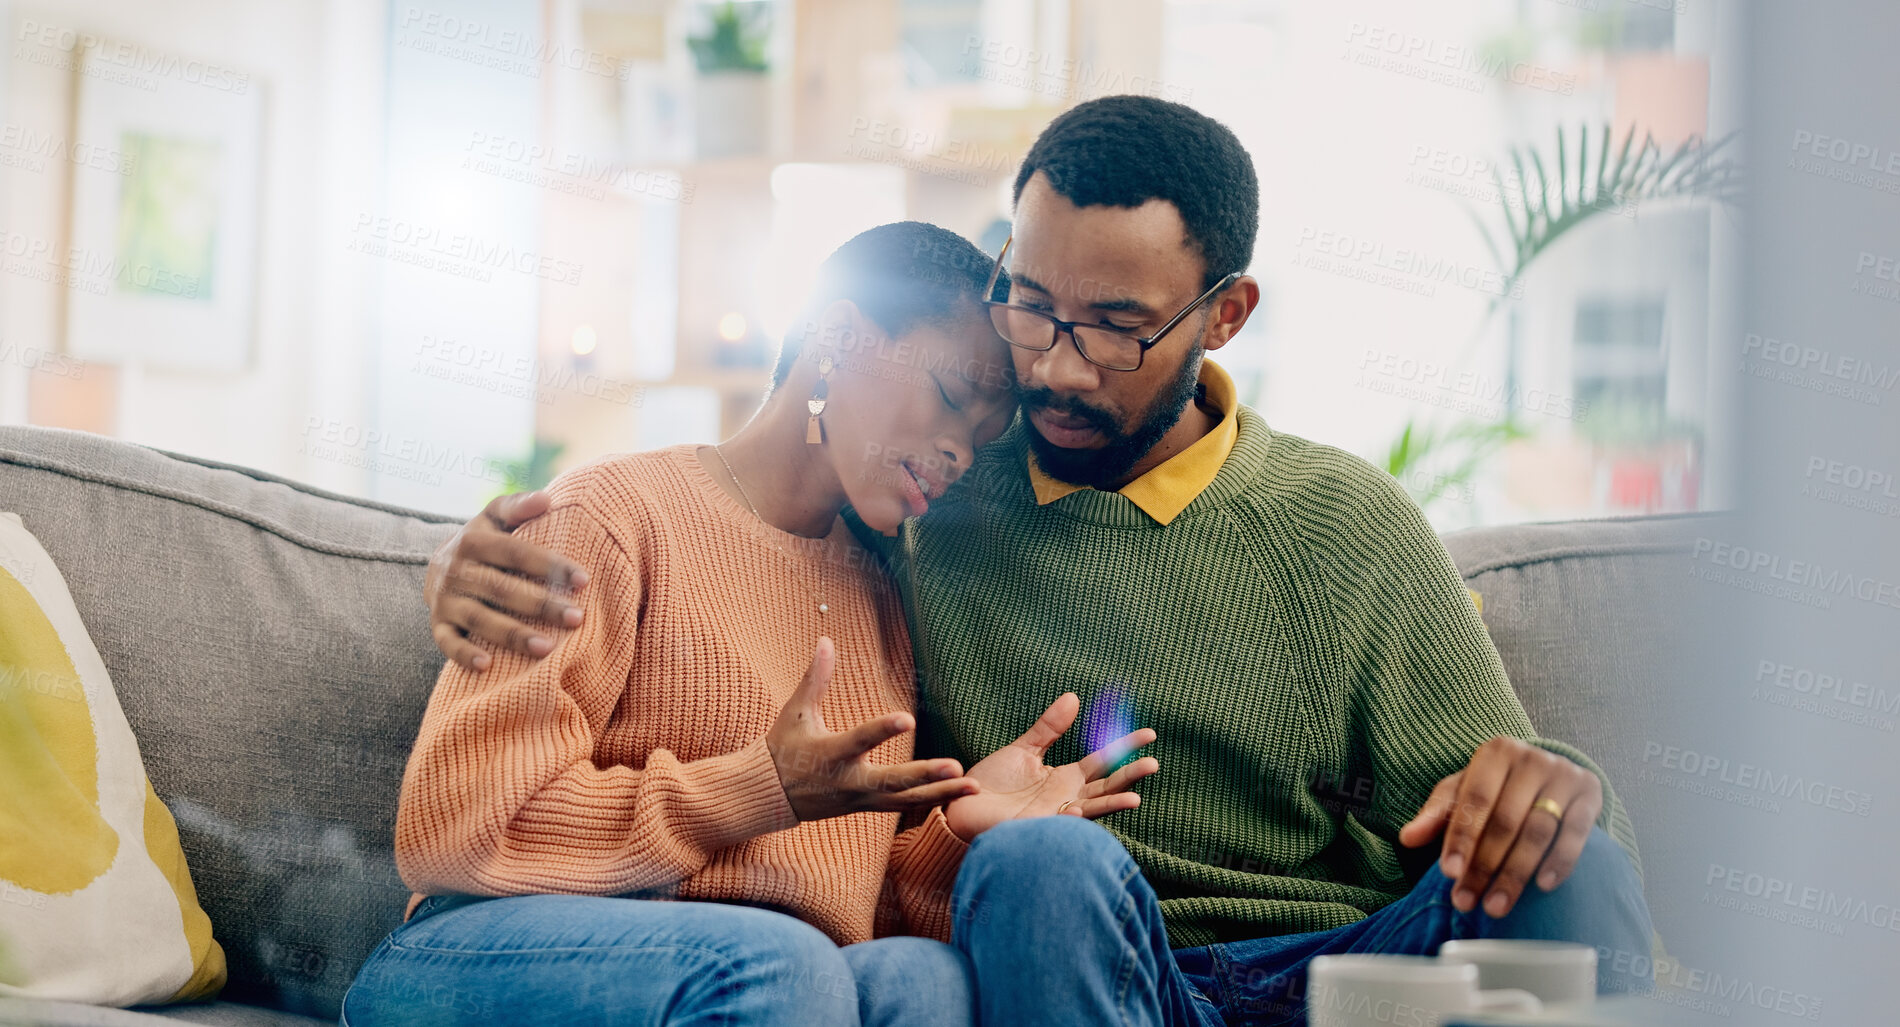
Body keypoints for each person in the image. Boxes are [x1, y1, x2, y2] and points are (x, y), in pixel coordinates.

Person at [422, 98, 1656, 1026]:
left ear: (1224, 315)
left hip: (1330, 969)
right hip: (1079, 950)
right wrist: (462, 562)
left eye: (1116, 327)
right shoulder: (924, 511)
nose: (1054, 367)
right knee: (1039, 860)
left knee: (1576, 870)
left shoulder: (1344, 526)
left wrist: (1556, 783)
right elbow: (716, 524)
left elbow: (1503, 799)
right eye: (1030, 303)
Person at [340, 221, 1158, 1027]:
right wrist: (756, 787)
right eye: (949, 397)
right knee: (779, 963)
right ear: (837, 335)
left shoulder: (878, 590)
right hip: (480, 949)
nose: (959, 452)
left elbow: (838, 895)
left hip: (760, 982)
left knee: (923, 976)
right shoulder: (609, 516)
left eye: (982, 437)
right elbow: (456, 829)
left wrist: (953, 826)